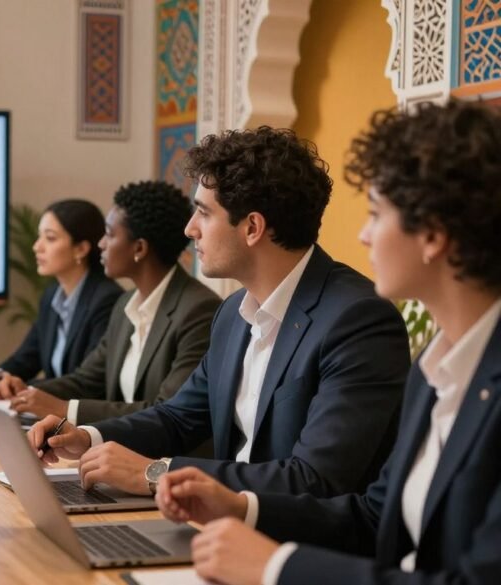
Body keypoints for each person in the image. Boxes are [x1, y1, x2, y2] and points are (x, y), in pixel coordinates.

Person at [154, 100, 501, 585]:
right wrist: (241, 507)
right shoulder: (436, 368)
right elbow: (374, 518)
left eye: (376, 214)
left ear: (433, 237)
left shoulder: (371, 324)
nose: (362, 235)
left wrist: (274, 567)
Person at [29, 126, 411, 499]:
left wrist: (155, 473)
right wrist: (86, 437)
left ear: (252, 228)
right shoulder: (232, 314)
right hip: (221, 527)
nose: (190, 229)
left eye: (203, 213)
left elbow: (314, 479)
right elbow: (178, 417)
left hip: (298, 547)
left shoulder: (358, 320)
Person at [8, 180, 220, 424]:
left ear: (139, 248)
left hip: (166, 459)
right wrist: (24, 391)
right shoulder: (125, 304)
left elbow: (168, 410)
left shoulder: (198, 311)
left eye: (109, 234)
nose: (101, 244)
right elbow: (87, 380)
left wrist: (65, 409)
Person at [0, 199, 123, 398]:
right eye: (40, 237)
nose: (37, 247)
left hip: (79, 418)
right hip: (49, 412)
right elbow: (26, 359)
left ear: (81, 248)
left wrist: (21, 388)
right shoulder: (51, 296)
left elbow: (87, 381)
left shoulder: (107, 300)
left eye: (50, 238)